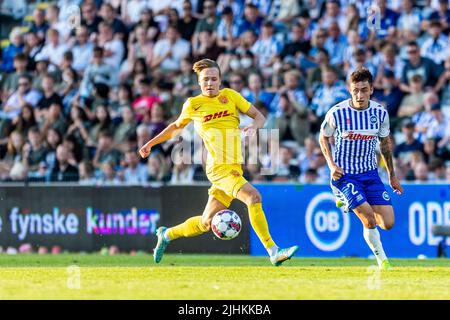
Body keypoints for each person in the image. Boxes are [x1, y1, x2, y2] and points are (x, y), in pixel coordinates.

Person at [139, 59, 298, 266]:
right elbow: (175, 127)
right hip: (218, 169)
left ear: (220, 80)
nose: (210, 83)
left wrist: (253, 128)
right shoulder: (193, 104)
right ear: (199, 82)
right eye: (205, 79)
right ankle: (273, 251)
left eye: (214, 79)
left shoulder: (230, 96)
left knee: (206, 222)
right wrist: (150, 143)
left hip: (234, 168)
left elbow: (259, 117)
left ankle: (167, 234)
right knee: (253, 197)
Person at [319, 68, 403, 270]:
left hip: (371, 174)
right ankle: (383, 261)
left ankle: (347, 202)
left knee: (388, 223)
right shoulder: (337, 112)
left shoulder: (379, 113)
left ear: (371, 89)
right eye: (355, 90)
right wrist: (331, 165)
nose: (359, 95)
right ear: (350, 90)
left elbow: (384, 144)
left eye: (364, 90)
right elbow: (323, 137)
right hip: (345, 175)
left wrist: (392, 175)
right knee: (369, 218)